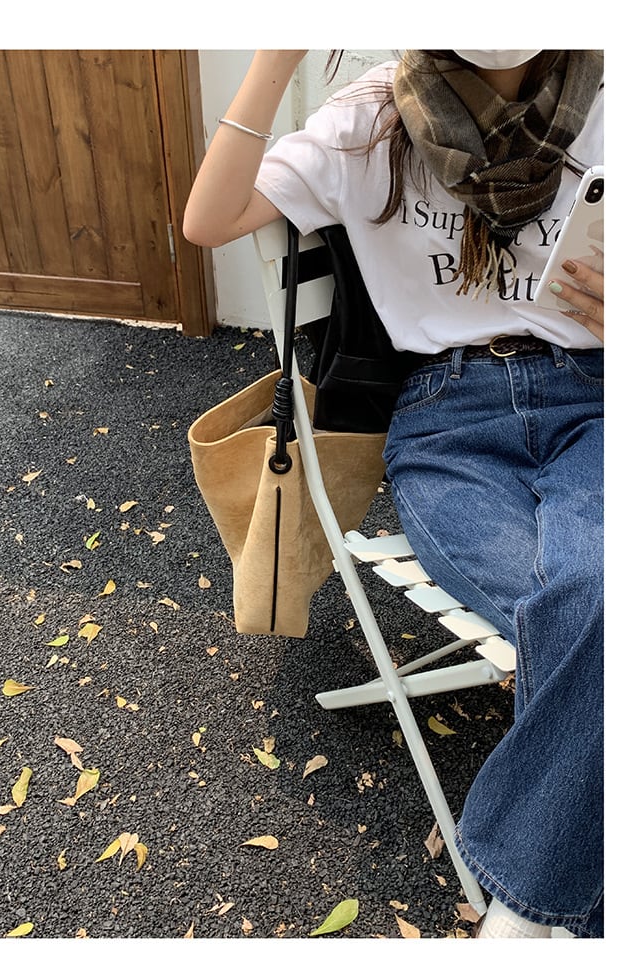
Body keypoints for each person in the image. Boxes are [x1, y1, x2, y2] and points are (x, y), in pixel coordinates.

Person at [183, 49, 604, 939]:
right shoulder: (371, 117)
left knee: (594, 601)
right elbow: (207, 220)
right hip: (447, 421)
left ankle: (522, 914)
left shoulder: (605, 102)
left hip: (593, 402)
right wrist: (278, 51)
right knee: (592, 606)